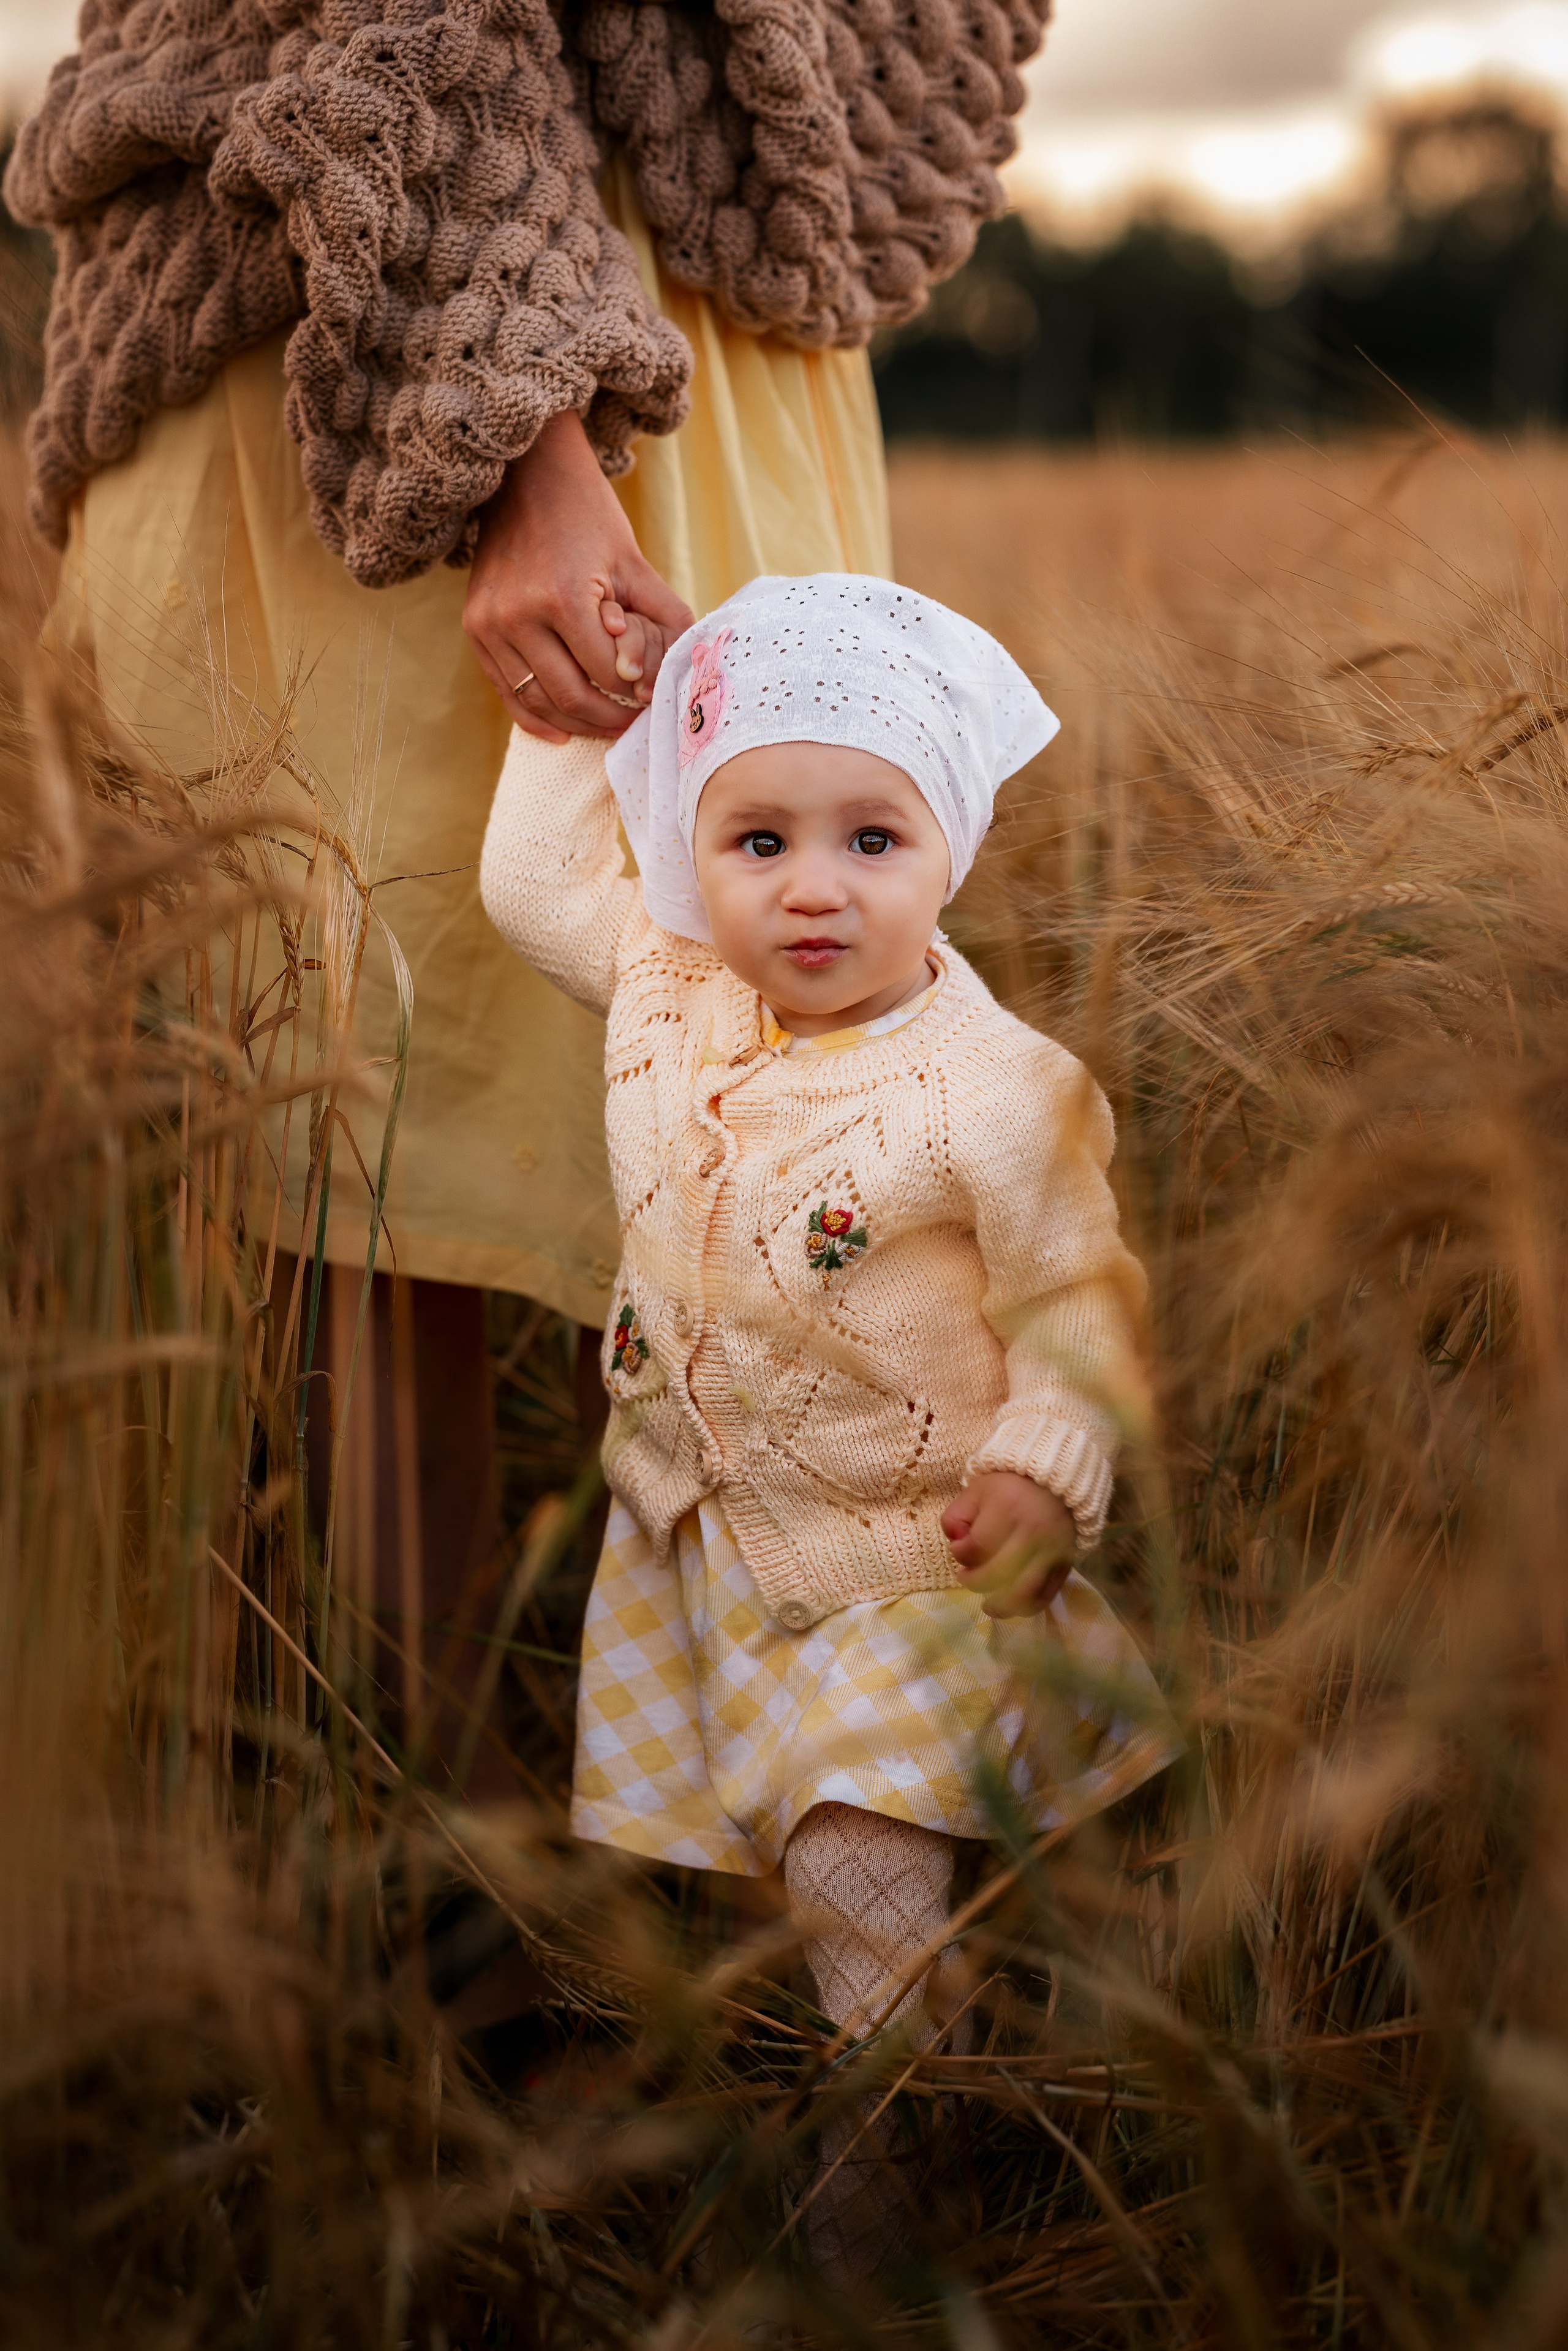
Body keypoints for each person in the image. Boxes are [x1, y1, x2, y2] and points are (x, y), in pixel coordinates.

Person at [4, 0, 1055, 1739]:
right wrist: (516, 444)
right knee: (380, 1166)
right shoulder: (498, 405)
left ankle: (716, 1823)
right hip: (384, 306)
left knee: (742, 1142)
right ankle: (456, 1870)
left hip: (692, 328)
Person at [478, 572, 1180, 2276]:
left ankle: (886, 2160)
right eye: (757, 840)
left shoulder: (992, 1089)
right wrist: (579, 697)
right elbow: (521, 882)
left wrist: (1042, 1466)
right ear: (687, 853)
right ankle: (860, 2055)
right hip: (699, 1536)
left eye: (873, 839)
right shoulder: (668, 985)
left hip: (906, 1550)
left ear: (949, 848)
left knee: (855, 1836)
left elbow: (1081, 1307)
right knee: (769, 1848)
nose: (811, 888)